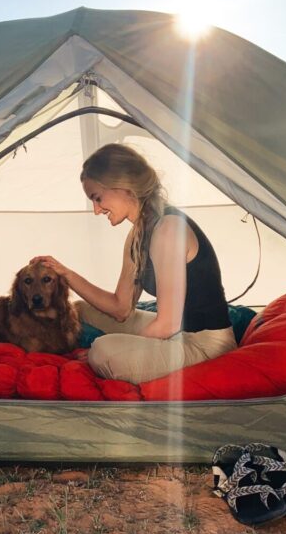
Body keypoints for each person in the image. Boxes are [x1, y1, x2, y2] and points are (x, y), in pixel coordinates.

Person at [32, 143, 236, 384]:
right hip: (177, 332)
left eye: (98, 198)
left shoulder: (168, 229)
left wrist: (124, 348)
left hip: (205, 345)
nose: (97, 210)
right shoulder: (138, 233)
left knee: (102, 351)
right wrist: (66, 274)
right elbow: (120, 307)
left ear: (124, 187)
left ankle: (112, 354)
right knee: (82, 311)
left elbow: (166, 325)